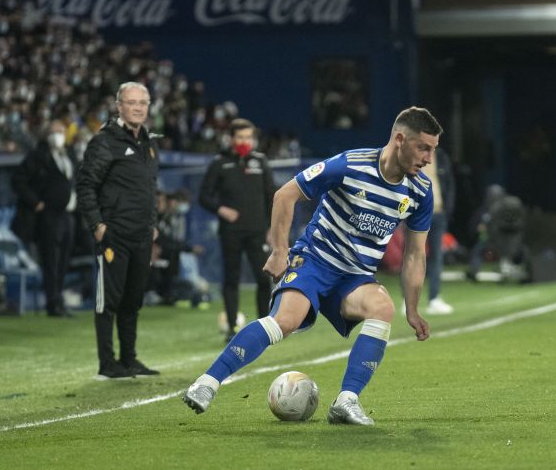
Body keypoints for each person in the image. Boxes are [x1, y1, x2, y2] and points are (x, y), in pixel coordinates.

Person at [183, 107, 441, 426]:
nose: (429, 158)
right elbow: (284, 195)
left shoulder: (419, 192)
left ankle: (346, 402)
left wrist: (412, 309)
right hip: (315, 261)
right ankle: (207, 383)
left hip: (355, 276)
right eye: (423, 148)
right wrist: (279, 252)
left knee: (383, 307)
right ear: (400, 139)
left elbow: (415, 254)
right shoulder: (349, 164)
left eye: (433, 149)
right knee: (285, 321)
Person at [76, 82, 160, 379]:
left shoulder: (149, 143)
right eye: (131, 102)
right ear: (119, 106)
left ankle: (129, 359)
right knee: (108, 301)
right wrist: (98, 226)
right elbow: (86, 185)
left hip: (141, 235)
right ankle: (107, 363)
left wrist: (153, 225)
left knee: (132, 299)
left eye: (143, 102)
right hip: (114, 235)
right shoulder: (105, 141)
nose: (138, 107)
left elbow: (150, 188)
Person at [199, 118, 275, 342]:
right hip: (230, 232)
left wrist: (272, 228)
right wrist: (221, 209)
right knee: (231, 280)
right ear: (231, 139)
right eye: (240, 137)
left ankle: (266, 327)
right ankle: (232, 328)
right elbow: (204, 196)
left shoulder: (261, 162)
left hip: (257, 232)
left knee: (264, 280)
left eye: (248, 137)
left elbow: (271, 196)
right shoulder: (219, 163)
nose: (245, 141)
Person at [10, 120, 77, 317]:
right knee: (51, 260)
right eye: (55, 132)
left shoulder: (68, 156)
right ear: (46, 135)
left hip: (68, 215)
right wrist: (35, 202)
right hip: (49, 216)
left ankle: (59, 299)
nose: (59, 135)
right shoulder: (38, 156)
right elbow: (18, 181)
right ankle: (52, 302)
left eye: (62, 131)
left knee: (64, 259)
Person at [423, 146, 455, 315]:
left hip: (438, 212)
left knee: (437, 256)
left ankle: (434, 298)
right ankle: (409, 300)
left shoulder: (441, 156)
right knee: (413, 257)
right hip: (417, 214)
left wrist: (447, 209)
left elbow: (449, 183)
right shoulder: (410, 154)